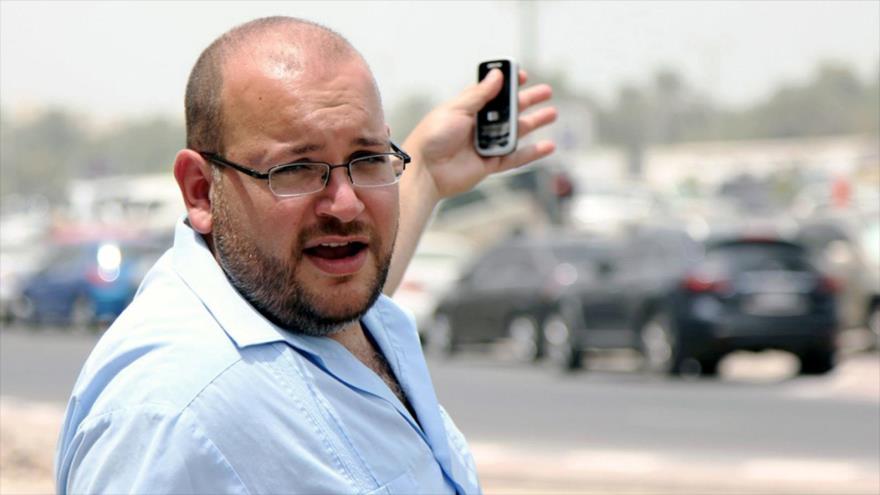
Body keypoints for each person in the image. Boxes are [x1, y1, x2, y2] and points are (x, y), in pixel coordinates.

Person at [55, 16, 556, 494]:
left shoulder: (304, 302)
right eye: (295, 169)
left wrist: (423, 166)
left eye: (368, 159)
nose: (346, 204)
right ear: (201, 191)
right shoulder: (173, 416)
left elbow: (345, 297)